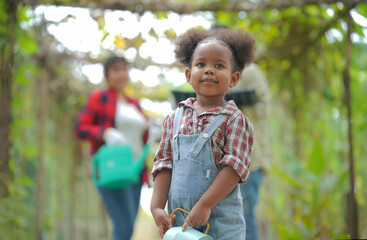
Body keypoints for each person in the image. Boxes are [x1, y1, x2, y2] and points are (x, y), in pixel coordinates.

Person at [150, 28, 256, 240]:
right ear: (189, 75)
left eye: (219, 65)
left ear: (234, 79)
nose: (209, 70)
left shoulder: (235, 120)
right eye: (201, 64)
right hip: (179, 224)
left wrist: (205, 205)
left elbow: (235, 168)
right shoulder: (174, 119)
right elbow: (164, 163)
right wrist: (156, 206)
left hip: (221, 225)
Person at [75, 56, 150, 240]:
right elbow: (80, 128)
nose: (121, 74)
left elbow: (141, 138)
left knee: (129, 227)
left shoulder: (134, 104)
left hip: (135, 171)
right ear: (107, 75)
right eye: (116, 70)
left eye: (124, 70)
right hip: (113, 168)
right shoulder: (99, 98)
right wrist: (105, 133)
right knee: (124, 228)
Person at [234, 63, 271, 240]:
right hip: (227, 163)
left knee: (245, 219)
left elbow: (263, 109)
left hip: (250, 161)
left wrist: (233, 99)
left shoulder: (250, 72)